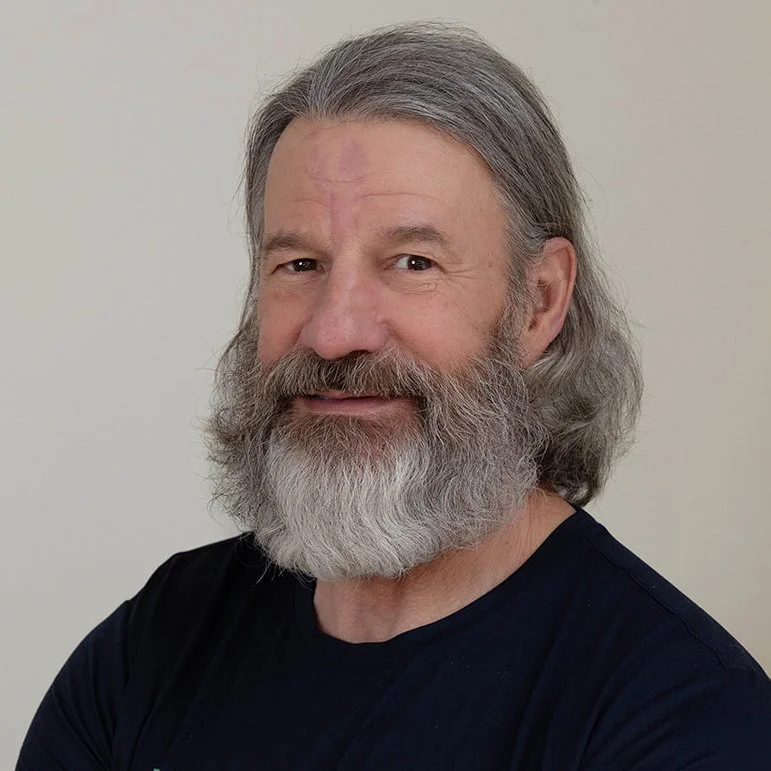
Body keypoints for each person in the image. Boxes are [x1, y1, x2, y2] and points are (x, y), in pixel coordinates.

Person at [17, 22, 771, 771]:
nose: (335, 331)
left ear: (538, 302)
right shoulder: (158, 639)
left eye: (412, 261)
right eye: (300, 262)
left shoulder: (682, 718)